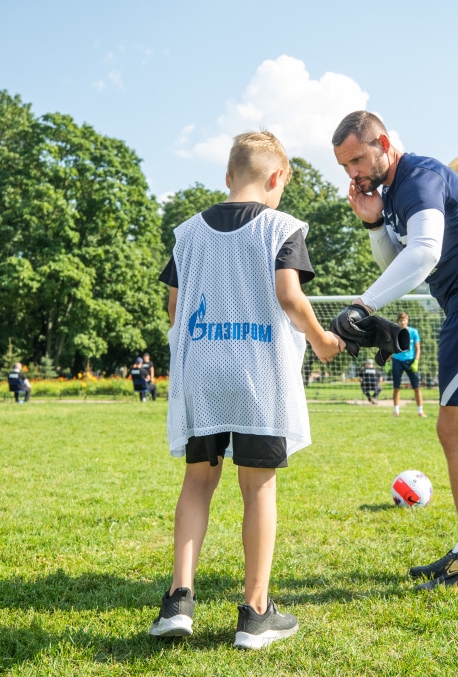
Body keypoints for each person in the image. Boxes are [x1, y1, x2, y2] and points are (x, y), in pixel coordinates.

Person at [150, 130, 344, 649]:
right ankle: (256, 612)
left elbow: (174, 309)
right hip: (259, 374)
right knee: (257, 487)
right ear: (277, 177)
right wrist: (323, 340)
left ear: (228, 176)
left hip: (202, 372)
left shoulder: (187, 233)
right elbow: (290, 296)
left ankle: (178, 601)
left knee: (197, 481)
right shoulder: (282, 227)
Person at [332, 111, 458, 593]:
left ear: (383, 143)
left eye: (357, 160)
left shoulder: (418, 177)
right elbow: (399, 259)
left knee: (455, 430)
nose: (353, 174)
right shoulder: (395, 192)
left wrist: (363, 305)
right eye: (344, 166)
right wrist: (374, 224)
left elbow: (424, 253)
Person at [389, 312, 425, 417]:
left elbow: (418, 349)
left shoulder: (414, 332)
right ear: (398, 321)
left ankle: (420, 411)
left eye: (404, 320)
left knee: (416, 387)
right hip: (397, 361)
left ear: (407, 320)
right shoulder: (394, 332)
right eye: (401, 320)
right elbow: (390, 347)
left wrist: (416, 361)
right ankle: (396, 411)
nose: (403, 322)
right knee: (396, 387)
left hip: (410, 361)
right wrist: (388, 361)